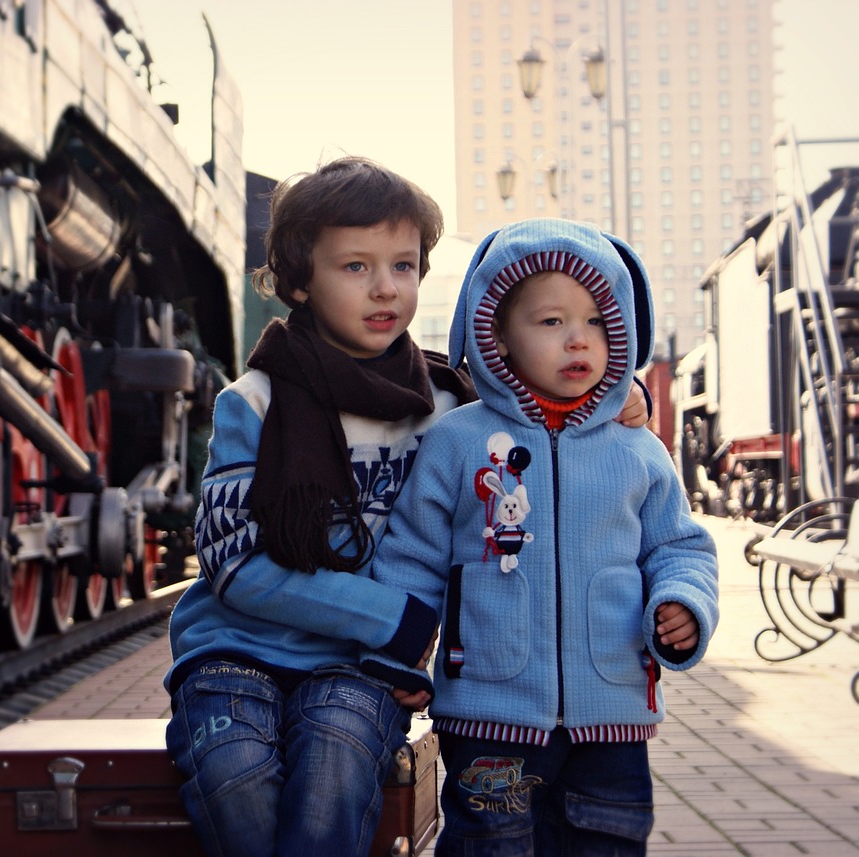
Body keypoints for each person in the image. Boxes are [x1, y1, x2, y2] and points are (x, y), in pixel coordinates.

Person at [162, 160, 648, 857]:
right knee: (235, 776)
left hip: (359, 666)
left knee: (333, 772)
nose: (386, 287)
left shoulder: (447, 406)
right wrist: (394, 619)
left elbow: (546, 404)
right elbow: (232, 562)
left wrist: (623, 399)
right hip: (234, 650)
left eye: (404, 265)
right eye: (355, 266)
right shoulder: (253, 402)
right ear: (299, 281)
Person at [364, 217, 720, 856]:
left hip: (611, 718)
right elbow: (412, 559)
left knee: (607, 844)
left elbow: (679, 547)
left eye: (598, 322)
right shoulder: (457, 442)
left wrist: (684, 603)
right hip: (488, 716)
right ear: (495, 334)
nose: (578, 338)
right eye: (552, 321)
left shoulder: (639, 451)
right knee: (489, 844)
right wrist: (401, 654)